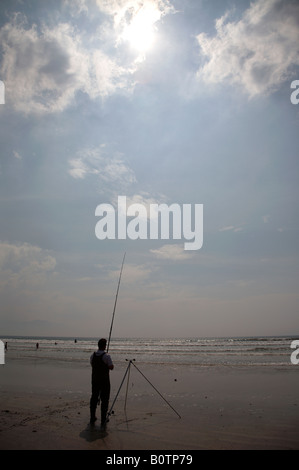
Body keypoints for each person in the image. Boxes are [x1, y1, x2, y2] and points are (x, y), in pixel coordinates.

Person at [89, 338, 114, 427]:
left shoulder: (93, 355)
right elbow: (111, 367)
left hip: (95, 380)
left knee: (94, 398)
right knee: (105, 399)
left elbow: (92, 365)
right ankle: (103, 419)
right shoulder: (106, 356)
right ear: (104, 346)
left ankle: (92, 417)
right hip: (104, 381)